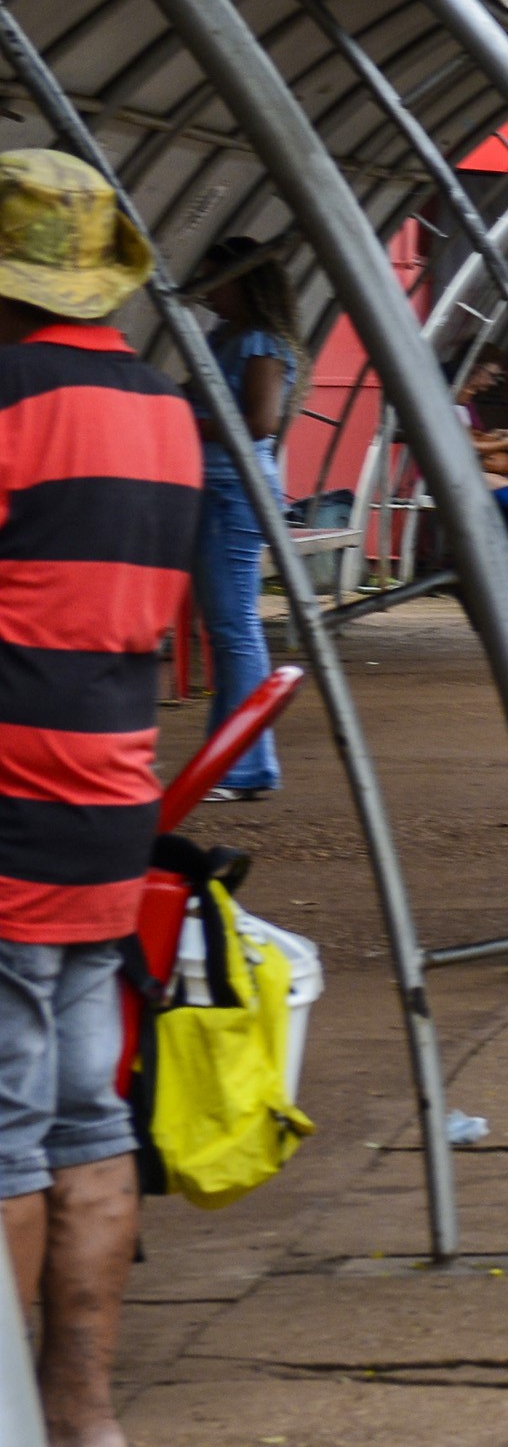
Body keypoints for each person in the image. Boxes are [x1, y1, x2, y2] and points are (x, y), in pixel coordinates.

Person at [0, 154, 202, 1446]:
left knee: (6, 1132)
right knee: (86, 1119)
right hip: (108, 807)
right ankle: (83, 1418)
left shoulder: (5, 403)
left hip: (5, 805)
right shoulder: (166, 416)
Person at [182, 241, 300, 804]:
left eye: (215, 280)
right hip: (222, 490)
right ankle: (243, 761)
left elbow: (257, 421)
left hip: (235, 492)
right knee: (232, 630)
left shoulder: (257, 342)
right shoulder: (225, 336)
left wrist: (184, 419)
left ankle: (239, 765)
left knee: (234, 632)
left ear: (246, 284)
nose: (206, 291)